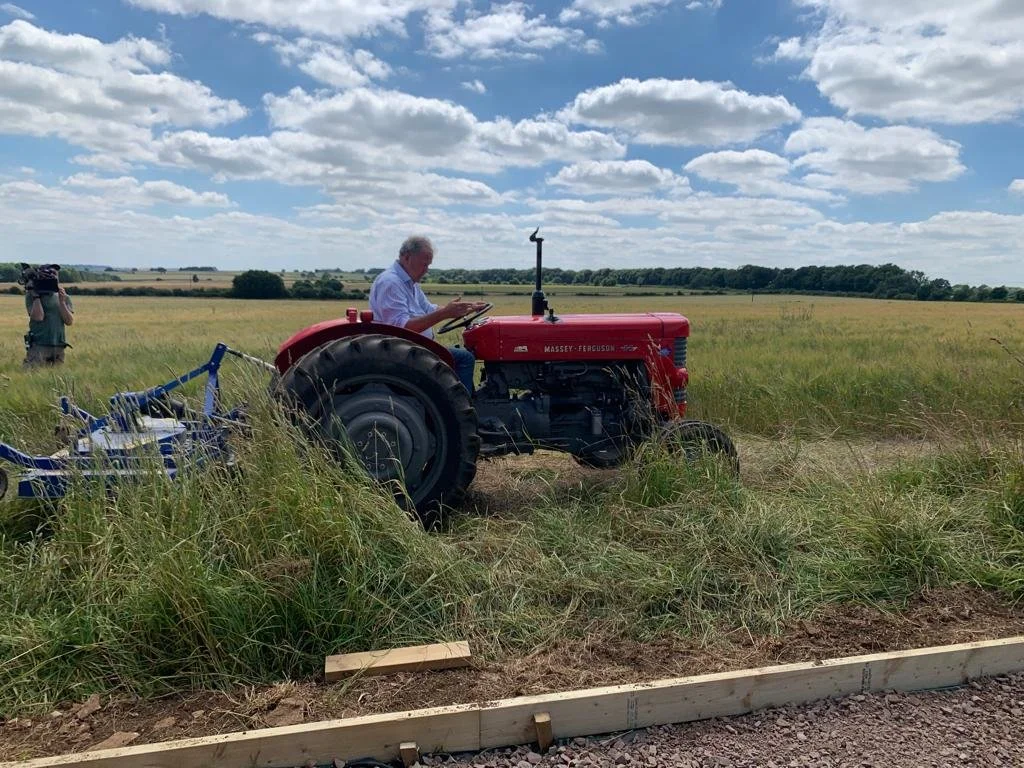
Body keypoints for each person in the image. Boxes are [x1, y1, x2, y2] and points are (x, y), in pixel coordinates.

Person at [369, 236, 487, 393]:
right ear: (406, 257)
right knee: (465, 358)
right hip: (405, 351)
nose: (426, 270)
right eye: (423, 264)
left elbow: (428, 309)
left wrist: (464, 308)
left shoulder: (410, 283)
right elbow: (401, 328)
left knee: (463, 353)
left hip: (415, 347)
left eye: (428, 265)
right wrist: (445, 313)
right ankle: (463, 411)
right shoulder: (391, 283)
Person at [22, 264, 74, 367]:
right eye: (48, 275)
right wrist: (36, 296)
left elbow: (69, 321)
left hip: (58, 346)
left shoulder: (65, 297)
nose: (53, 277)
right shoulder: (31, 295)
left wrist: (62, 302)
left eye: (55, 274)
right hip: (39, 346)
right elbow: (38, 317)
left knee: (55, 381)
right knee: (33, 378)